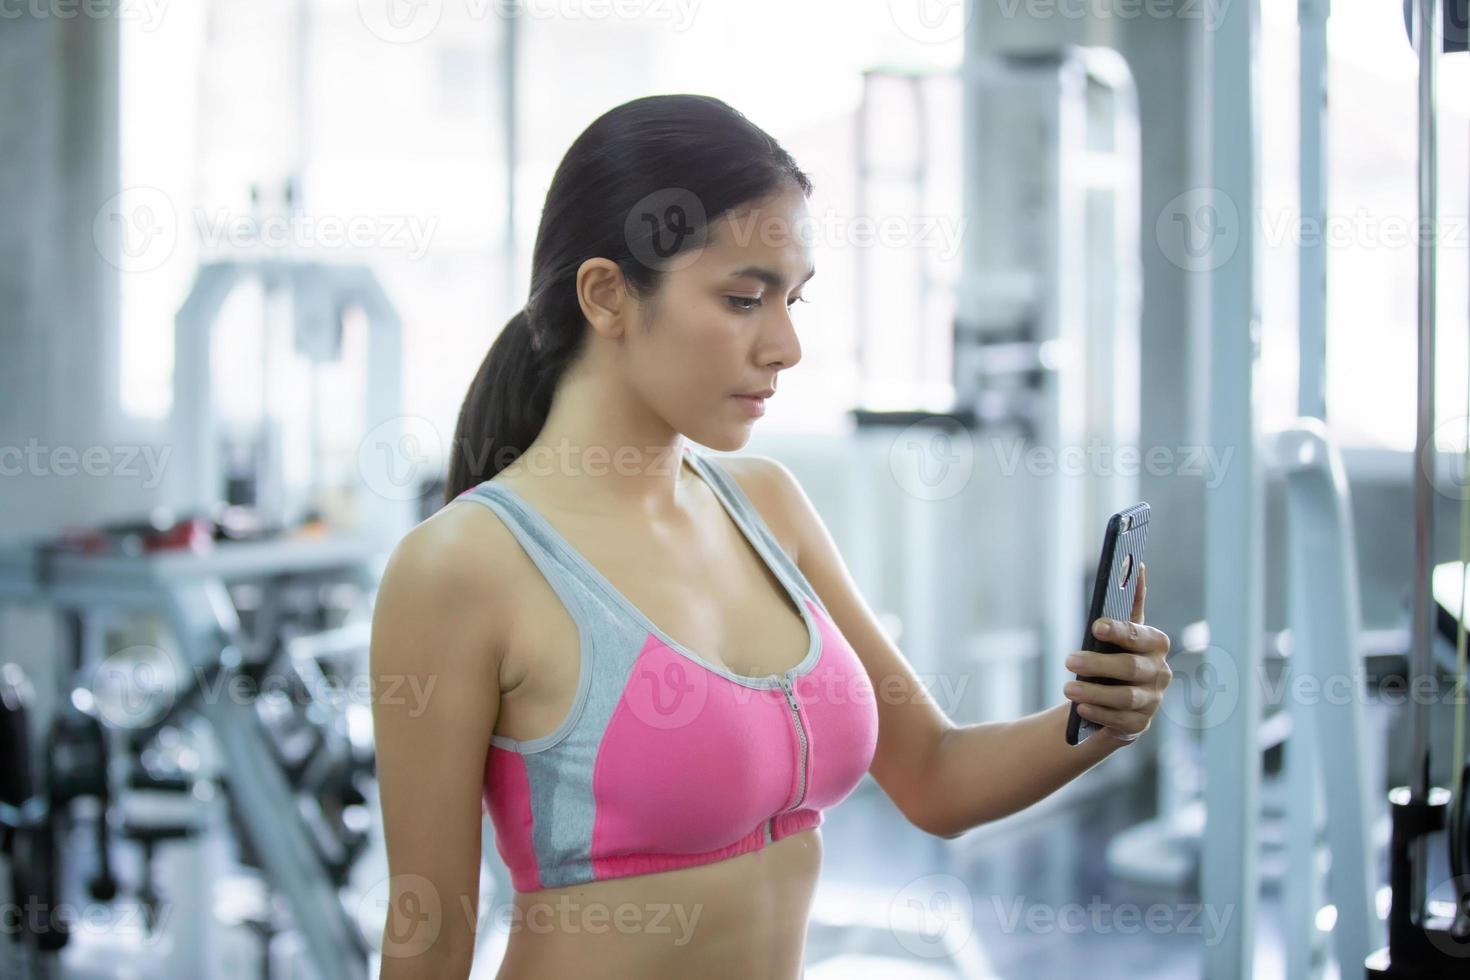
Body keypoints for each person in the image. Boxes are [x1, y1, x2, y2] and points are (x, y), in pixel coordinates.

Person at [368, 93, 1173, 980]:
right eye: (745, 299)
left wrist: (1097, 720)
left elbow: (937, 777)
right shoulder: (462, 568)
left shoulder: (767, 505)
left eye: (793, 299)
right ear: (605, 296)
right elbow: (430, 936)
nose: (786, 345)